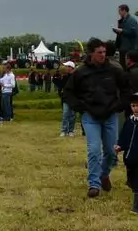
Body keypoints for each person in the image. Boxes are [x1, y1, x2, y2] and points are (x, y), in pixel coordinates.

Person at [64, 37, 129, 198]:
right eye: (99, 52)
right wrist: (80, 108)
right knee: (94, 150)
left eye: (104, 52)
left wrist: (120, 105)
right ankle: (94, 184)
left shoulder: (114, 70)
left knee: (111, 151)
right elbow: (68, 92)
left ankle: (103, 173)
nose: (103, 55)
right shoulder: (81, 72)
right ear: (91, 53)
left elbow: (127, 88)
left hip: (110, 115)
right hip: (90, 116)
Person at [114, 92, 138, 214]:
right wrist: (119, 146)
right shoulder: (129, 121)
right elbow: (124, 136)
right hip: (129, 158)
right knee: (131, 178)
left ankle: (136, 208)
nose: (136, 108)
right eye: (133, 105)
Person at [114, 4, 138, 69]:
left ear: (124, 10)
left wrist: (122, 31)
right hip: (122, 49)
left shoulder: (132, 20)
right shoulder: (122, 21)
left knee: (128, 68)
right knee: (123, 68)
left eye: (119, 10)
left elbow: (134, 33)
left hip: (129, 49)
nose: (118, 12)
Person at [59, 61, 77, 137]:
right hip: (66, 99)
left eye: (67, 66)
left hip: (74, 98)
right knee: (65, 114)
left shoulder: (76, 77)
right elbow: (60, 86)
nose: (65, 68)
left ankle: (71, 130)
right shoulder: (64, 77)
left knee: (72, 115)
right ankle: (64, 130)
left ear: (71, 68)